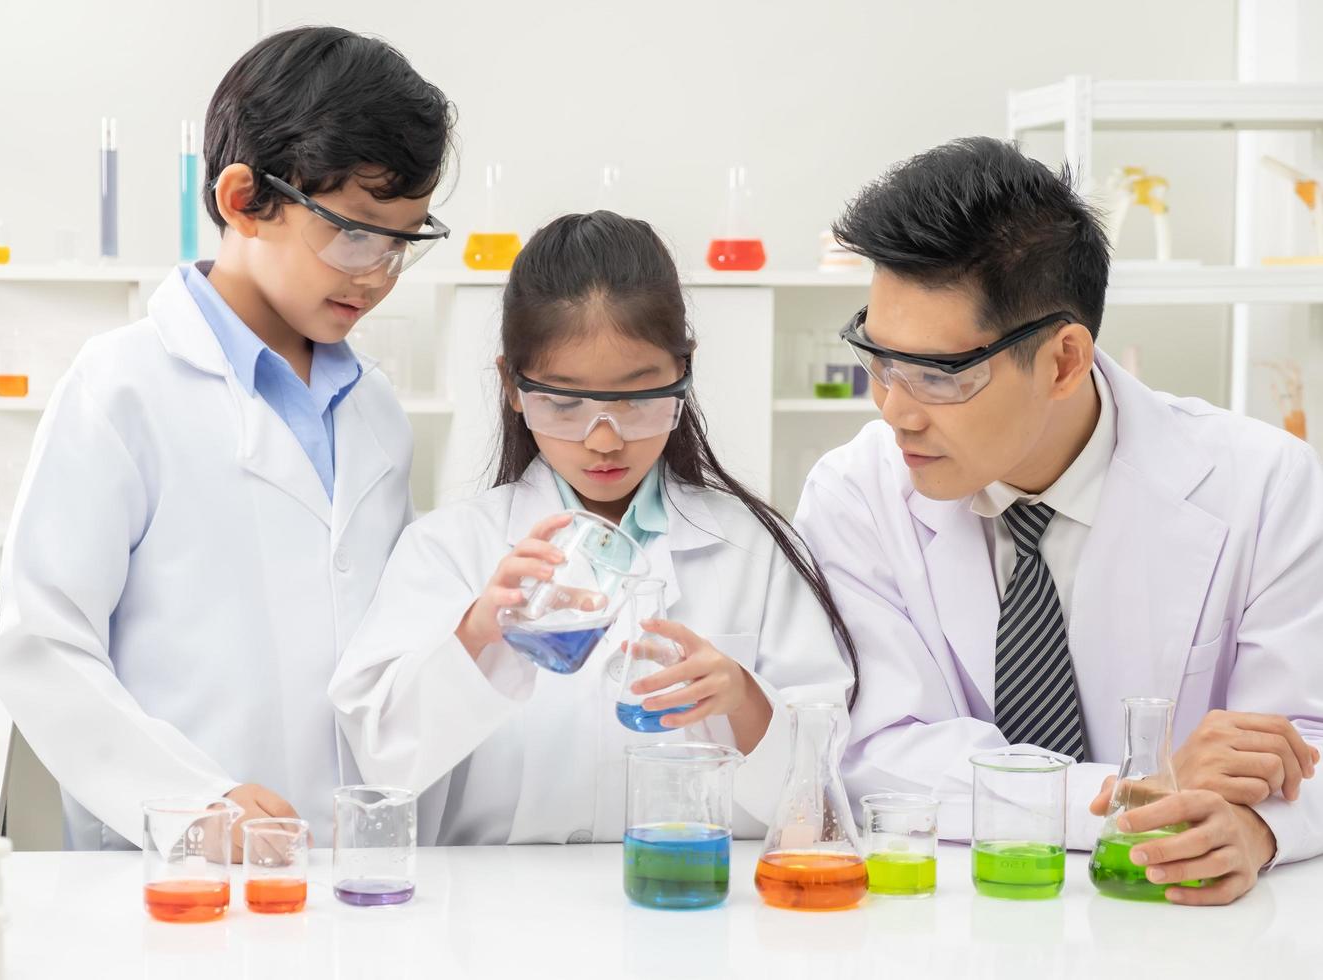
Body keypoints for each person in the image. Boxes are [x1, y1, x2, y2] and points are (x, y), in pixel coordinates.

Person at [797, 136, 1323, 905]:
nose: (894, 410)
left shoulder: (1263, 484)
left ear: (1064, 360)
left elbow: (1304, 741)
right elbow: (878, 755)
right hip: (950, 919)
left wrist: (1259, 829)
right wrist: (1140, 788)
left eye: (939, 375)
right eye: (879, 357)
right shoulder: (854, 492)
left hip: (1177, 925)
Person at [0, 26, 453, 851]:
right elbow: (44, 646)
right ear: (244, 198)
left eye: (403, 242)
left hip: (344, 868)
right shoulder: (122, 389)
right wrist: (190, 804)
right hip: (171, 869)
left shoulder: (375, 410)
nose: (378, 274)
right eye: (354, 232)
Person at [330, 211, 857, 844]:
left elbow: (822, 802)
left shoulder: (756, 549)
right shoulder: (448, 550)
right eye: (565, 402)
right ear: (513, 388)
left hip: (701, 905)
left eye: (636, 398)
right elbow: (383, 760)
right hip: (502, 914)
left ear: (682, 377)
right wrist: (476, 635)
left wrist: (744, 700)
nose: (603, 438)